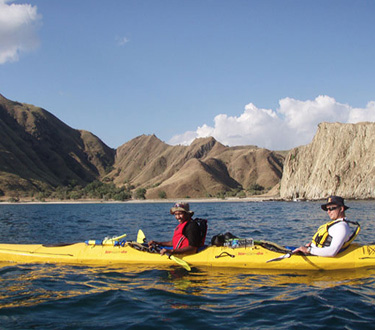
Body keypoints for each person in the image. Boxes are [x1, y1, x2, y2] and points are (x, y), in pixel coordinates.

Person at [293, 196, 360, 257]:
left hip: (316, 255)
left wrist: (309, 250)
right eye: (327, 209)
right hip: (313, 251)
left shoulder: (342, 227)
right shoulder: (336, 223)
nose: (328, 212)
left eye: (331, 208)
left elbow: (332, 251)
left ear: (341, 209)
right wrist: (311, 245)